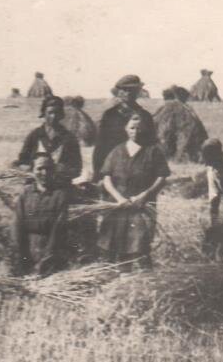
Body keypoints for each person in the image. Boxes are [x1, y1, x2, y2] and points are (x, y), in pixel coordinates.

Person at [98, 114, 170, 268]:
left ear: (145, 129)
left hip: (141, 206)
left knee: (140, 245)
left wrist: (144, 195)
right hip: (118, 205)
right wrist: (118, 199)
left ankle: (144, 278)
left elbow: (162, 177)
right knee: (118, 245)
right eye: (132, 128)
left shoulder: (153, 151)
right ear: (126, 129)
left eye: (139, 128)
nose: (135, 131)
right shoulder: (117, 151)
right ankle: (122, 277)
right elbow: (106, 178)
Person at [92, 74, 157, 181]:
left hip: (139, 169)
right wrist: (98, 173)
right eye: (124, 89)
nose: (127, 93)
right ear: (119, 92)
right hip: (114, 168)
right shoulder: (109, 115)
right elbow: (101, 146)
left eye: (132, 90)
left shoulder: (145, 116)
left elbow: (151, 145)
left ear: (138, 92)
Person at [13, 153, 69, 276]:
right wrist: (21, 257)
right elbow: (18, 226)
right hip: (27, 250)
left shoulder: (59, 195)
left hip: (50, 251)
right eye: (39, 168)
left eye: (48, 168)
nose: (44, 173)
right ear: (32, 171)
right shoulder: (25, 194)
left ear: (53, 170)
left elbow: (58, 231)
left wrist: (45, 261)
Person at [14, 95, 83, 184]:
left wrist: (62, 170)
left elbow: (77, 169)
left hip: (60, 186)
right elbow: (21, 162)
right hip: (35, 185)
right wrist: (34, 169)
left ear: (61, 114)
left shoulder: (69, 138)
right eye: (50, 113)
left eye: (57, 113)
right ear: (43, 113)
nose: (53, 116)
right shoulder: (35, 136)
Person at [200, 138, 223, 260]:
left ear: (219, 155)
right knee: (213, 227)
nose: (210, 164)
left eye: (212, 161)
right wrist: (213, 221)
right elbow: (214, 197)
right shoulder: (211, 170)